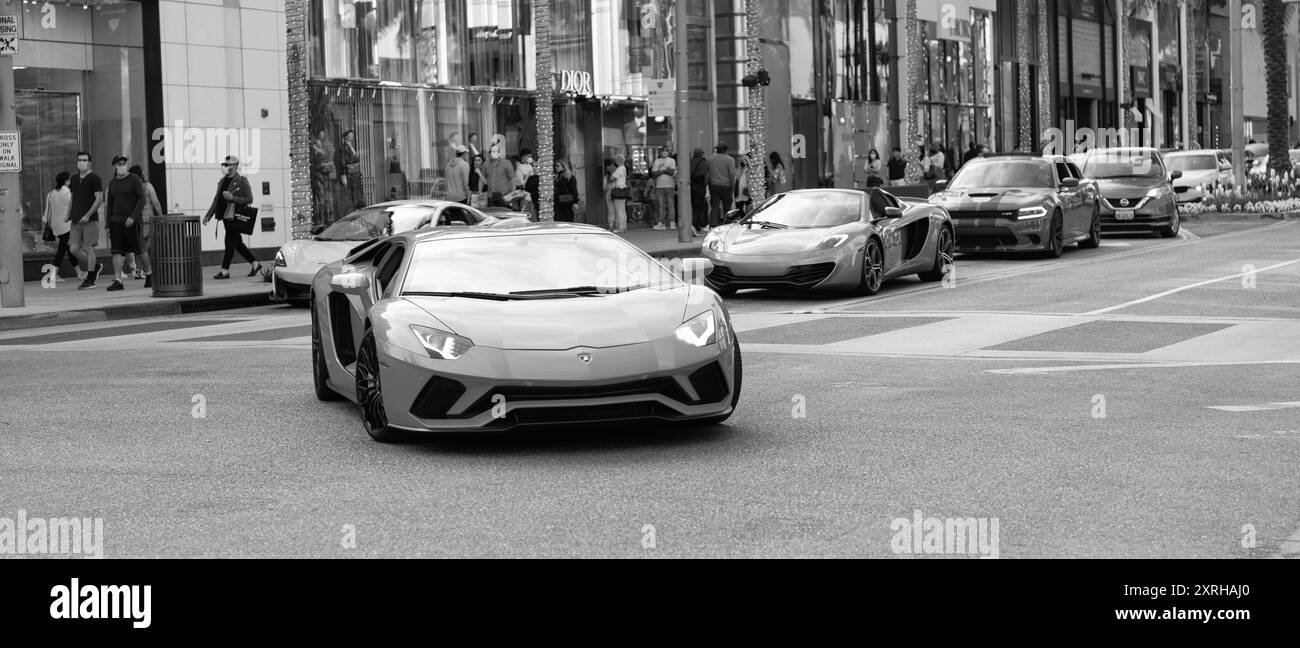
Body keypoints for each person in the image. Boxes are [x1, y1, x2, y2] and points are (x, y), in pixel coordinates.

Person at [202, 155, 260, 280]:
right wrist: (208, 215)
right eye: (224, 164)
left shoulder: (242, 181)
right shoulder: (222, 181)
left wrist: (233, 199)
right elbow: (216, 200)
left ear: (235, 166)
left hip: (234, 217)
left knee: (229, 242)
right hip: (225, 217)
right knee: (237, 243)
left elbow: (249, 199)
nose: (225, 166)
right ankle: (255, 264)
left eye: (227, 164)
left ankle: (224, 270)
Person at [101, 155, 151, 291]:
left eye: (124, 163)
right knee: (116, 251)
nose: (122, 165)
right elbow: (109, 205)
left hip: (132, 222)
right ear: (114, 167)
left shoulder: (134, 179)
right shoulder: (112, 183)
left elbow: (141, 199)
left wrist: (133, 217)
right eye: (119, 163)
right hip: (116, 222)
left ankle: (149, 274)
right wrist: (108, 225)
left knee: (139, 250)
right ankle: (118, 280)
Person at [67, 151, 105, 289]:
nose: (81, 162)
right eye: (79, 160)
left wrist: (88, 215)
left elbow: (99, 198)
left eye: (84, 160)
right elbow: (73, 198)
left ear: (89, 162)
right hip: (76, 220)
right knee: (73, 249)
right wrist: (68, 214)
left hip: (90, 220)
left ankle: (90, 278)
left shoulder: (95, 178)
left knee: (89, 248)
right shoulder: (74, 179)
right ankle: (94, 267)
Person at [127, 165, 163, 281]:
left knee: (140, 247)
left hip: (135, 219)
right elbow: (155, 202)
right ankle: (148, 270)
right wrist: (161, 216)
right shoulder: (147, 186)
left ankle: (140, 270)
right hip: (148, 220)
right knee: (143, 247)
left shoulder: (131, 187)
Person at [41, 172, 73, 282]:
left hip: (55, 226)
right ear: (66, 181)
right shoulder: (68, 192)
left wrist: (46, 222)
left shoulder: (51, 194)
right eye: (69, 180)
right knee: (63, 248)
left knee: (68, 247)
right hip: (67, 225)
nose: (70, 182)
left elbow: (47, 212)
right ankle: (53, 274)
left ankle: (80, 272)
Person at [706, 143, 739, 228]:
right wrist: (733, 186)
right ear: (726, 150)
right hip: (726, 185)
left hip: (714, 185)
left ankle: (713, 224)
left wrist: (708, 183)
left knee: (715, 206)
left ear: (717, 149)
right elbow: (732, 174)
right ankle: (728, 223)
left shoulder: (710, 159)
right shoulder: (730, 160)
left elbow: (708, 174)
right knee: (727, 206)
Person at [650, 148, 676, 230]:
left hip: (670, 185)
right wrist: (666, 170)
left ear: (668, 152)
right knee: (661, 205)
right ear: (660, 152)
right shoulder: (656, 161)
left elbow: (672, 172)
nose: (664, 152)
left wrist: (661, 170)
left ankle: (672, 222)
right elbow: (654, 173)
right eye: (663, 151)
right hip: (659, 186)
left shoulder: (672, 161)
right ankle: (661, 222)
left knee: (670, 204)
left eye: (666, 151)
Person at [339, 129, 364, 210]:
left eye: (352, 135)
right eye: (349, 135)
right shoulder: (343, 148)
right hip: (350, 174)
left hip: (355, 173)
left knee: (357, 192)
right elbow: (342, 162)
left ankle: (358, 206)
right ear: (346, 136)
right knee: (352, 193)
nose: (351, 137)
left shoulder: (352, 146)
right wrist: (344, 177)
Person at [689, 148, 709, 237]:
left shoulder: (690, 162)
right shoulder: (704, 163)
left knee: (693, 207)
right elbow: (705, 176)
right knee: (700, 207)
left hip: (691, 186)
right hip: (700, 187)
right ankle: (697, 225)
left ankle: (694, 224)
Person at [609, 153, 629, 232]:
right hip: (623, 189)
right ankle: (624, 226)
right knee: (623, 209)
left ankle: (620, 227)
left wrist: (611, 171)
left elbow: (612, 178)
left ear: (617, 161)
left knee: (619, 209)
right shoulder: (624, 168)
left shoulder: (620, 168)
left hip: (618, 189)